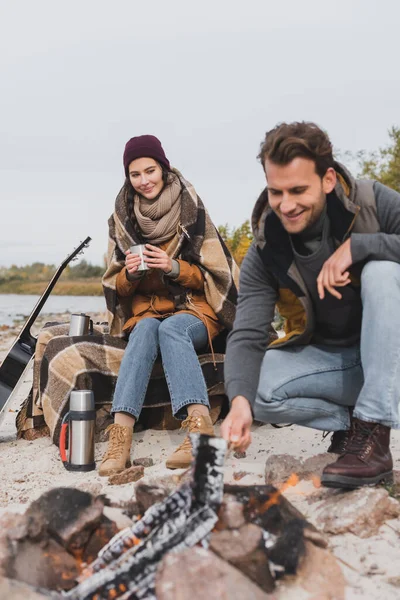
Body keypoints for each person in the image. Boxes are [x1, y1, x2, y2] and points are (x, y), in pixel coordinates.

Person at [221, 121, 400, 489]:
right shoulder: (265, 249)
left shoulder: (373, 202)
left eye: (298, 190)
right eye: (276, 192)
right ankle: (354, 426)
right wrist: (238, 402)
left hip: (394, 356)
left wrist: (362, 248)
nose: (286, 205)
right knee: (252, 387)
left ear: (328, 180)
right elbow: (249, 332)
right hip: (341, 365)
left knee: (381, 272)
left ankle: (374, 433)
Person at [100, 135, 238, 475]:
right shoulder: (120, 219)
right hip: (147, 311)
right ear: (127, 177)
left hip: (194, 309)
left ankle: (199, 431)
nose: (144, 180)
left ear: (163, 169)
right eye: (135, 174)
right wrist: (130, 276)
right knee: (147, 329)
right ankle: (120, 438)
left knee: (173, 329)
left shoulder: (191, 209)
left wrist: (172, 266)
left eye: (150, 170)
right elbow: (112, 284)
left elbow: (216, 272)